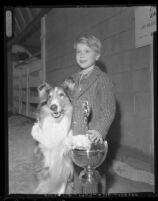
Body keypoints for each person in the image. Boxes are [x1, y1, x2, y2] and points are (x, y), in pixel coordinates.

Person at [66, 34, 116, 193]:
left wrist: (100, 130)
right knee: (76, 174)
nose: (81, 55)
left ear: (97, 55)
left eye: (87, 51)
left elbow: (109, 109)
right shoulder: (71, 79)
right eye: (78, 51)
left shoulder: (103, 79)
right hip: (74, 137)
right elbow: (65, 102)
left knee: (94, 178)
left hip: (92, 140)